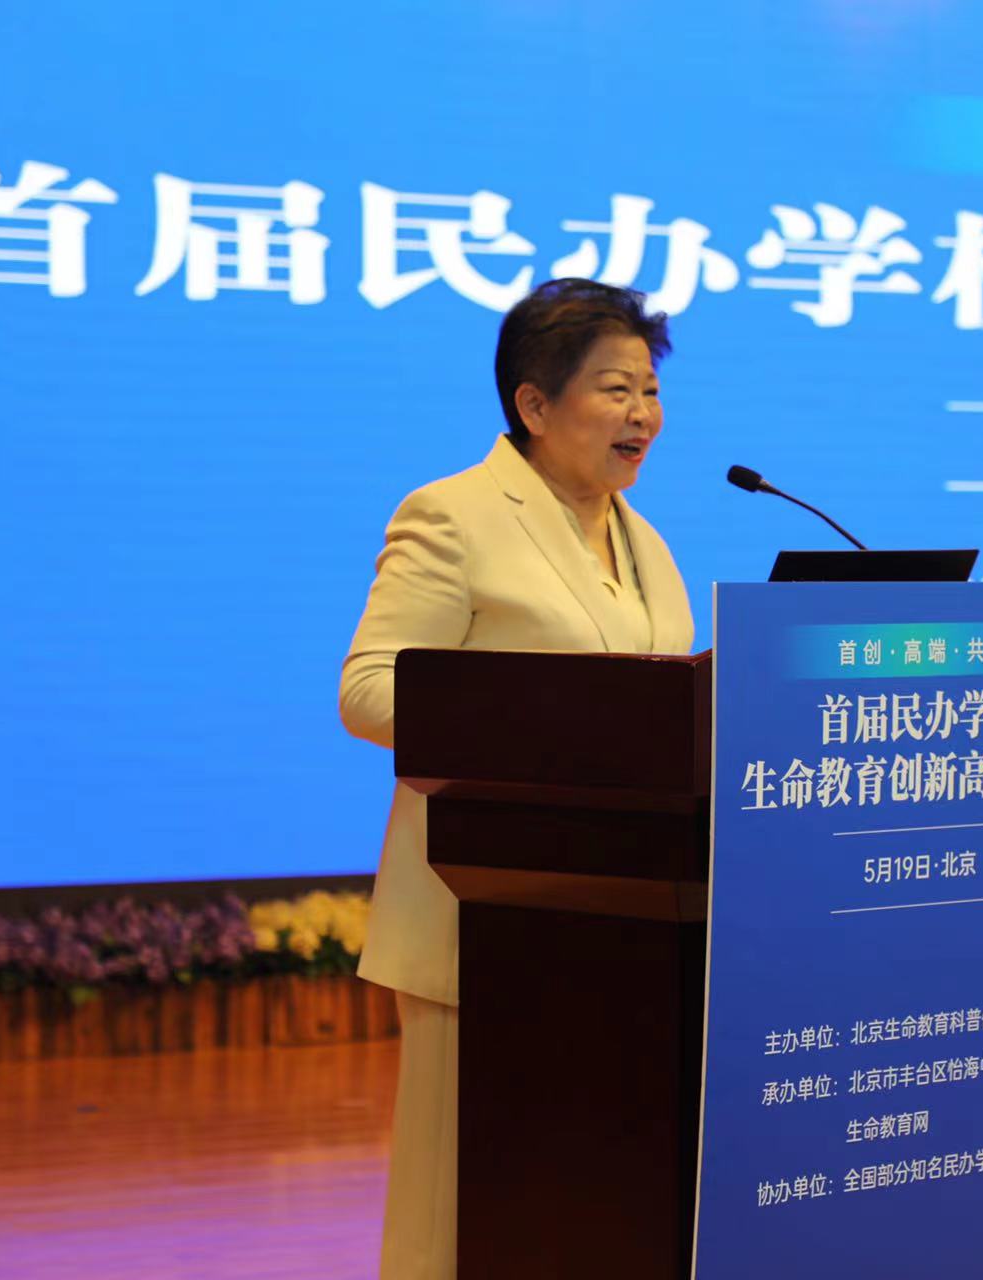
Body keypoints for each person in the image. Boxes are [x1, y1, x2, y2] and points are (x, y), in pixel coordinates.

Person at [338, 278, 695, 1279]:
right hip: (480, 918)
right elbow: (369, 690)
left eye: (651, 391)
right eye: (616, 389)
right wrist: (543, 727)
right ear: (534, 404)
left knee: (571, 1209)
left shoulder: (645, 540)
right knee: (453, 1219)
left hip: (618, 926)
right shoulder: (452, 515)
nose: (642, 414)